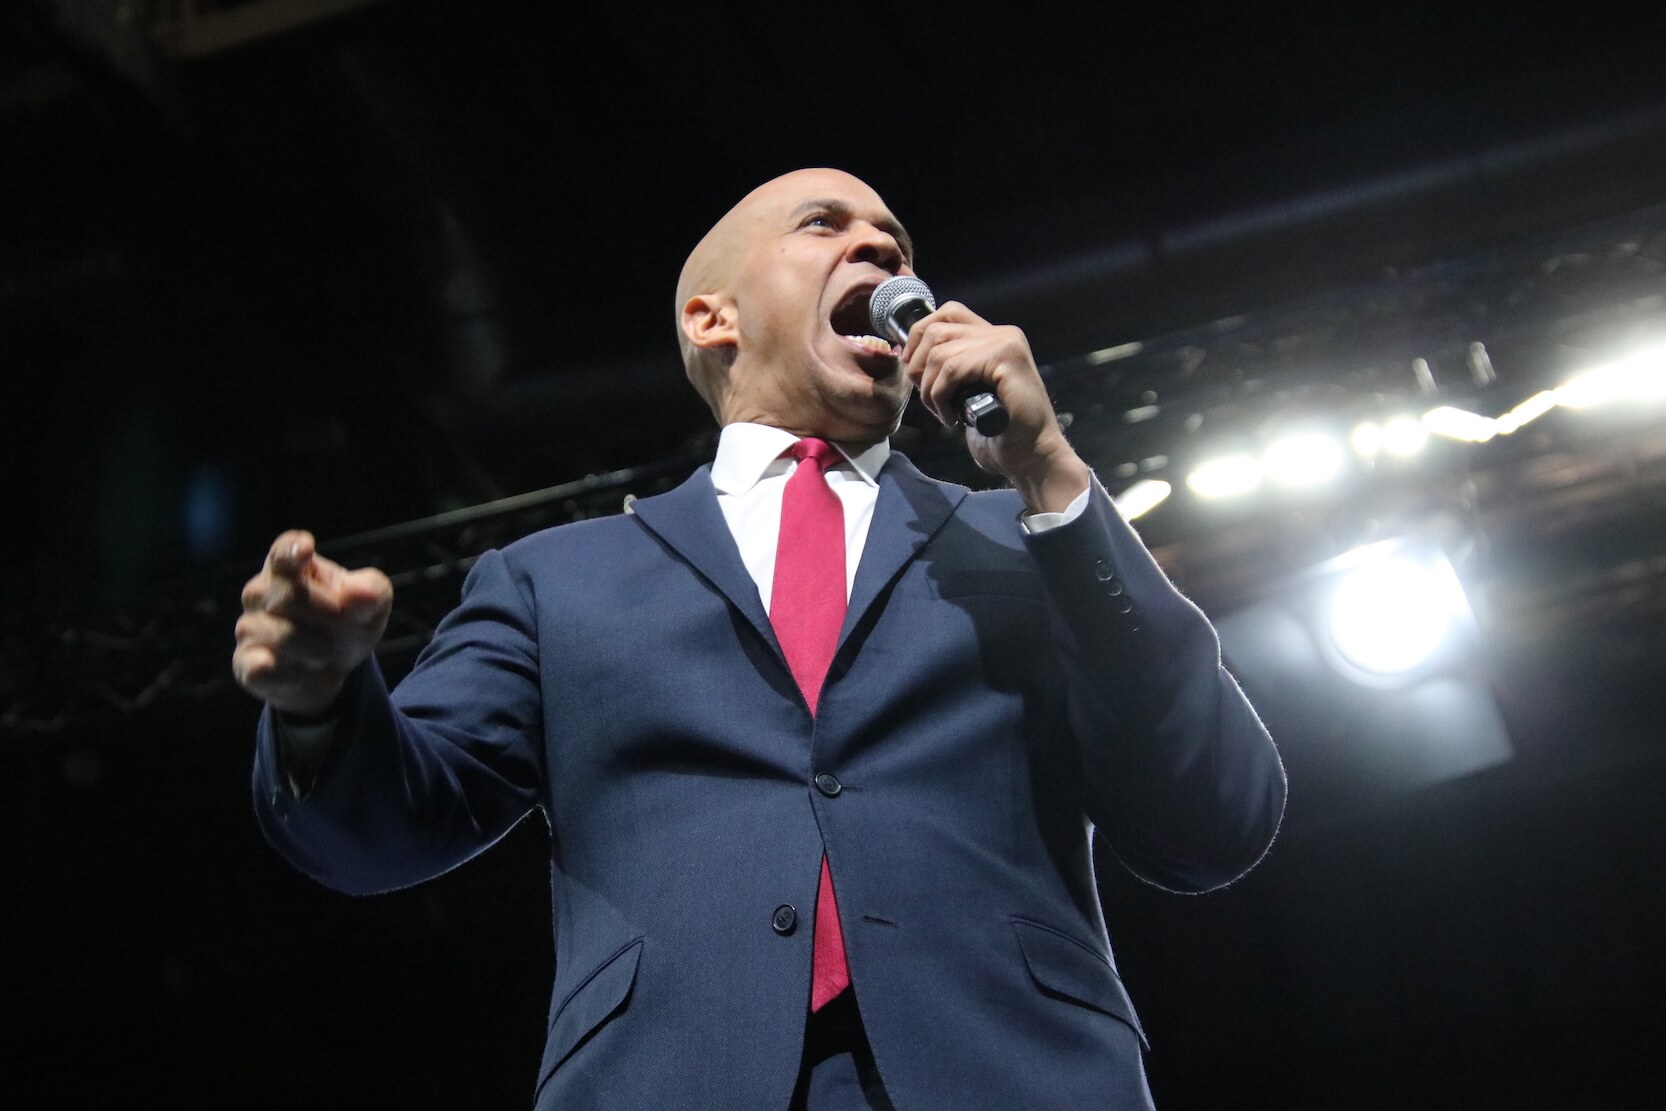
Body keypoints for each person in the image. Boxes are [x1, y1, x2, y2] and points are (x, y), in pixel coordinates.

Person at [233, 168, 1286, 1110]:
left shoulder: (1028, 540)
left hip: (1012, 1074)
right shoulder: (556, 579)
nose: (880, 250)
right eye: (824, 224)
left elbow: (1212, 819)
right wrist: (323, 703)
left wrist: (1049, 471)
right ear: (711, 317)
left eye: (895, 244)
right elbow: (380, 834)